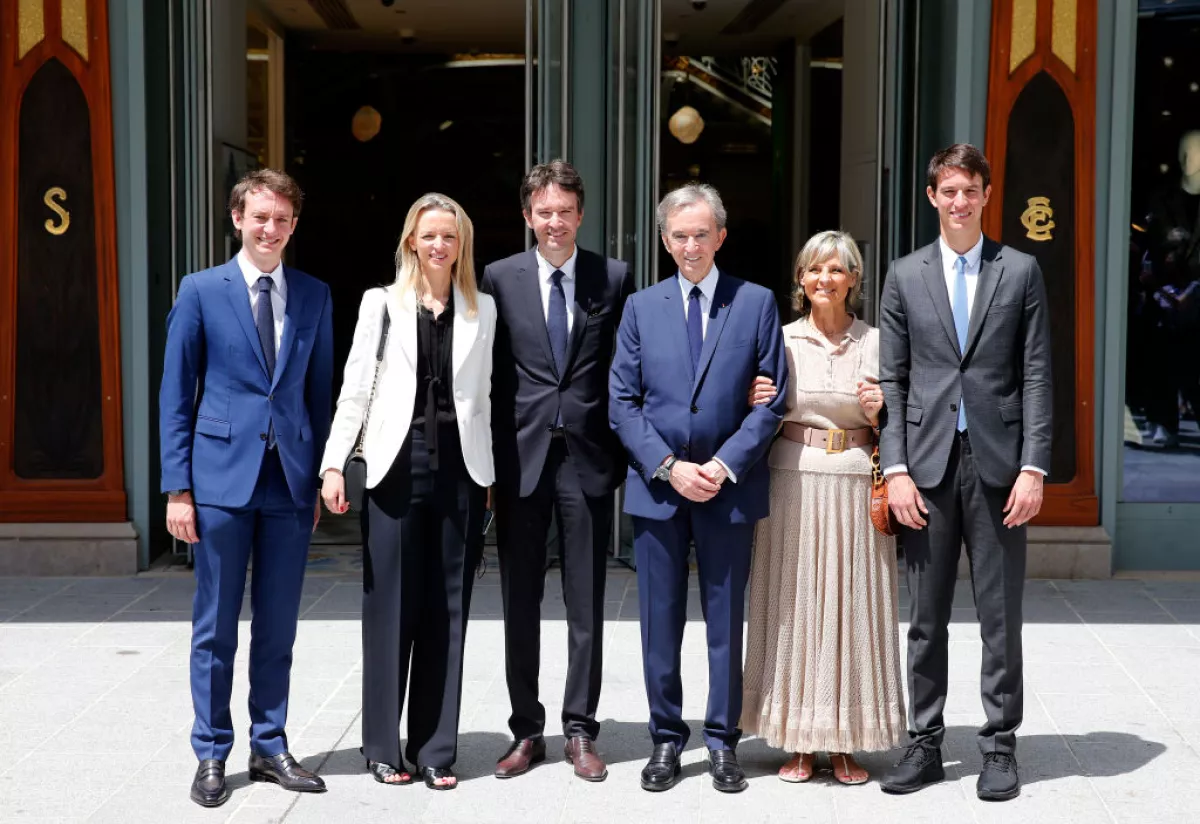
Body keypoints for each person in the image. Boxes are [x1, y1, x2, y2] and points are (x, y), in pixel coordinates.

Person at [877, 144, 1052, 801]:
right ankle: (924, 742)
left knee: (1000, 616)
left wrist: (1034, 465)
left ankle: (1000, 745)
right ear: (932, 197)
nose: (958, 202)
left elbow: (1036, 373)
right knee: (926, 618)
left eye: (969, 191)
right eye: (947, 191)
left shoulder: (1020, 271)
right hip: (924, 467)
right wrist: (894, 468)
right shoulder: (904, 275)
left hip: (1000, 466)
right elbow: (892, 380)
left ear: (985, 196)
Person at [159, 169, 333, 808]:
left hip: (287, 485)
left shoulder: (314, 295)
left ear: (293, 225)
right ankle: (211, 751)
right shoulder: (202, 290)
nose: (270, 229)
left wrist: (317, 477)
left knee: (279, 626)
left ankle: (270, 743)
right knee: (216, 626)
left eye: (282, 219)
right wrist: (177, 488)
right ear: (238, 219)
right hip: (219, 483)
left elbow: (319, 397)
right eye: (260, 217)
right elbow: (175, 393)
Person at [609, 183, 789, 793]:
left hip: (727, 488)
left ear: (722, 237)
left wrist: (724, 464)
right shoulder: (640, 308)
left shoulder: (756, 302)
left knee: (724, 618)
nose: (692, 245)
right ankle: (665, 738)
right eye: (680, 235)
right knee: (660, 621)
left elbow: (773, 400)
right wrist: (668, 465)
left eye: (702, 233)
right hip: (659, 490)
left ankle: (721, 740)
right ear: (665, 241)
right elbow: (622, 403)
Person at [319, 193, 496, 791]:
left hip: (461, 472)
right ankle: (381, 746)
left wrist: (489, 476)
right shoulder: (381, 304)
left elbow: (485, 400)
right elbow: (355, 388)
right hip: (394, 468)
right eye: (429, 236)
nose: (439, 245)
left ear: (461, 245)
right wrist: (334, 464)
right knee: (390, 608)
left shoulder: (482, 310)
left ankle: (436, 749)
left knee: (448, 609)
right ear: (411, 242)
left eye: (449, 236)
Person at [481, 161, 635, 782]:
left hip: (587, 460)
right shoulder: (498, 278)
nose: (554, 222)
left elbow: (628, 369)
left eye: (564, 211)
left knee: (585, 601)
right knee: (520, 600)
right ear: (528, 216)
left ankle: (579, 729)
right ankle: (526, 729)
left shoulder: (613, 277)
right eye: (543, 212)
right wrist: (485, 463)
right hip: (520, 460)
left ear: (579, 214)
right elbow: (489, 377)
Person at [741, 231, 905, 786]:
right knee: (797, 605)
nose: (824, 280)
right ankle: (798, 740)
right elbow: (757, 410)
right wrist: (752, 398)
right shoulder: (781, 341)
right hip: (792, 483)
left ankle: (846, 743)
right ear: (800, 280)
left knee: (851, 607)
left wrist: (883, 410)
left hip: (858, 482)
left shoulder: (877, 342)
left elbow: (906, 419)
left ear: (854, 279)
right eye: (814, 270)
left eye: (836, 270)